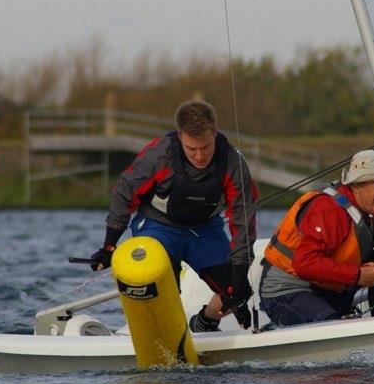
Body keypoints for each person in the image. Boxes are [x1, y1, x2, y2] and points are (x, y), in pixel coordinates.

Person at [90, 100, 258, 332]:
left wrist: (240, 274)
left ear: (215, 134)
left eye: (206, 147)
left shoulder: (233, 164)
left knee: (238, 292)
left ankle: (205, 322)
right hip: (158, 227)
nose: (199, 156)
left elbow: (243, 220)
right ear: (180, 137)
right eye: (192, 149)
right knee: (161, 286)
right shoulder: (159, 155)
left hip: (205, 231)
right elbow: (124, 194)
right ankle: (162, 326)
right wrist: (109, 245)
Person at [258, 149, 374, 326]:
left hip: (328, 287)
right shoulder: (328, 209)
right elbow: (304, 263)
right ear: (357, 186)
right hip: (287, 291)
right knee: (332, 327)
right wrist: (357, 275)